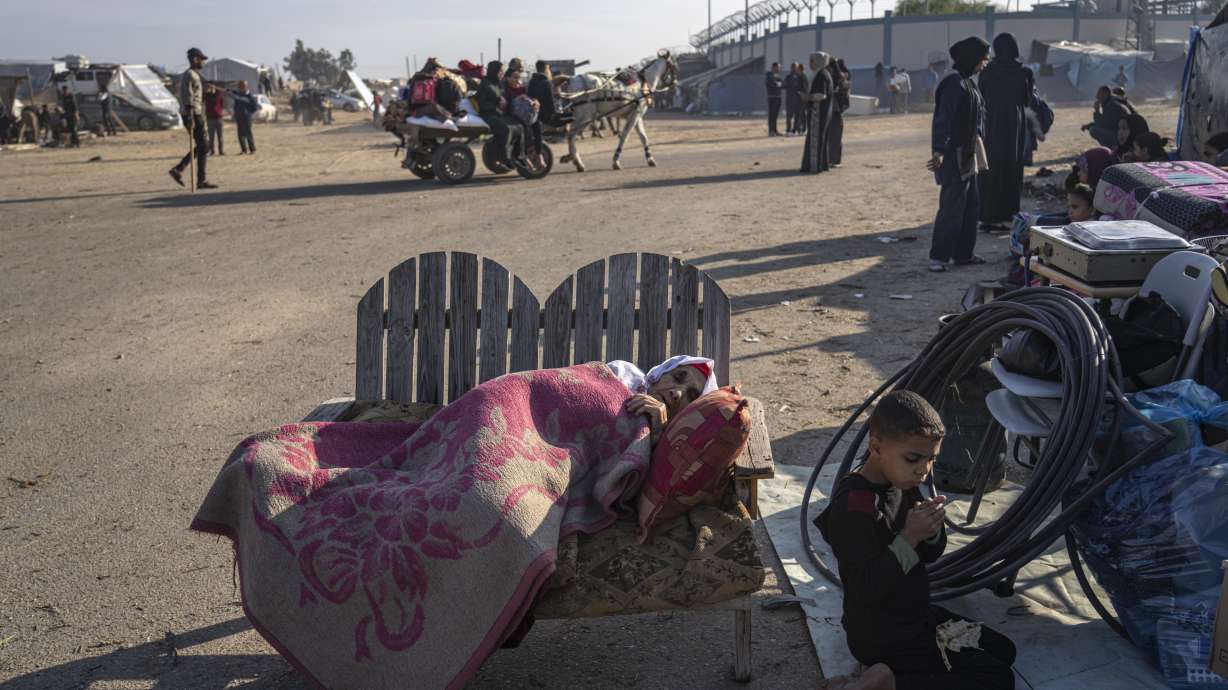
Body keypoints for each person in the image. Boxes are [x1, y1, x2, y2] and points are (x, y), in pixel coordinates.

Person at [816, 390, 1018, 690]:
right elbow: (865, 588)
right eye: (913, 458)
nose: (924, 470)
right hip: (881, 632)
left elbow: (929, 554)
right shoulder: (854, 508)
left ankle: (880, 675)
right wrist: (909, 537)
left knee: (1004, 651)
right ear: (876, 446)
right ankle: (887, 680)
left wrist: (932, 529)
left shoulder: (902, 481)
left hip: (913, 613)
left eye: (931, 459)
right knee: (998, 680)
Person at [926, 36, 990, 273]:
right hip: (954, 154)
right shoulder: (954, 83)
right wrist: (939, 150)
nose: (984, 64)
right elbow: (943, 119)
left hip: (969, 153)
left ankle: (963, 254)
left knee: (971, 205)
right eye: (982, 59)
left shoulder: (968, 82)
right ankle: (939, 257)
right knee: (952, 207)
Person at [978, 33, 1034, 232]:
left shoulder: (986, 72)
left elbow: (980, 97)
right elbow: (1026, 100)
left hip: (990, 126)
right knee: (1011, 169)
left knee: (989, 169)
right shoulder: (1023, 73)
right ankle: (1007, 216)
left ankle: (987, 216)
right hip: (1013, 127)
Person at [169, 47, 214, 189]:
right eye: (201, 59)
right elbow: (187, 97)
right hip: (192, 114)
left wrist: (207, 91)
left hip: (197, 113)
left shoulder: (195, 75)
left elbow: (196, 96)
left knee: (203, 145)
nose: (203, 62)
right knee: (204, 145)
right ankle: (195, 177)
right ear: (195, 59)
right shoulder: (189, 75)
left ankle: (181, 170)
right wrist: (190, 117)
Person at [477, 60, 526, 168]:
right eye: (500, 71)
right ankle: (505, 158)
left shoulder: (498, 83)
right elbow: (482, 104)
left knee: (519, 127)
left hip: (498, 114)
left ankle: (519, 156)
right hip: (488, 115)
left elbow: (502, 95)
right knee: (506, 129)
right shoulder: (484, 84)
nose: (502, 74)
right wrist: (497, 104)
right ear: (494, 71)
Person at [800, 52, 834, 174]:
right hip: (821, 112)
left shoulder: (821, 75)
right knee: (821, 138)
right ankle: (822, 164)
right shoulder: (822, 74)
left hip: (818, 113)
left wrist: (807, 97)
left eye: (812, 61)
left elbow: (821, 95)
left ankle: (814, 166)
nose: (810, 63)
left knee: (816, 139)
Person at [828, 58, 851, 167]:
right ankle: (834, 160)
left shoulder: (837, 79)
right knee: (835, 137)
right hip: (836, 111)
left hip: (833, 111)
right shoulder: (841, 79)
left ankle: (833, 160)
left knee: (834, 137)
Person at [229, 80, 259, 154]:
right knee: (240, 134)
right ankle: (244, 150)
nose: (241, 88)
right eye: (240, 87)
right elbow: (230, 92)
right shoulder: (238, 94)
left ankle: (252, 149)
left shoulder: (250, 96)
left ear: (246, 87)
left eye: (242, 87)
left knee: (248, 133)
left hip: (247, 118)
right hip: (239, 117)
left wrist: (248, 113)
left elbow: (255, 107)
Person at [528, 60, 557, 126]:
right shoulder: (546, 82)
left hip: (533, 113)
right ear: (545, 69)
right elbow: (550, 100)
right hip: (544, 114)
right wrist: (553, 112)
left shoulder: (531, 81)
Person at [204, 83, 225, 155]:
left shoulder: (219, 94)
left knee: (220, 136)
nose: (209, 88)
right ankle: (212, 151)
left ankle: (221, 151)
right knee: (211, 136)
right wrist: (207, 92)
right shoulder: (206, 96)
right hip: (210, 119)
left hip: (218, 118)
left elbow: (221, 104)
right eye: (208, 87)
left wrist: (216, 88)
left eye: (210, 87)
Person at [766, 62, 784, 136]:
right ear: (774, 67)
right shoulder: (769, 75)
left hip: (778, 97)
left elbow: (782, 84)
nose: (779, 69)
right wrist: (778, 84)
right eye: (778, 67)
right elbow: (772, 84)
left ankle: (775, 130)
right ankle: (771, 131)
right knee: (772, 115)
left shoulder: (778, 76)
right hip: (772, 97)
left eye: (779, 67)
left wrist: (778, 84)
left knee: (775, 115)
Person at [792, 63, 810, 135]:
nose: (796, 70)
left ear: (800, 69)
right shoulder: (799, 76)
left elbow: (804, 88)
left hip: (801, 99)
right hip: (799, 98)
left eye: (797, 68)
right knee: (800, 115)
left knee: (800, 115)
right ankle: (799, 130)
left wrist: (801, 94)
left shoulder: (803, 76)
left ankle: (798, 130)